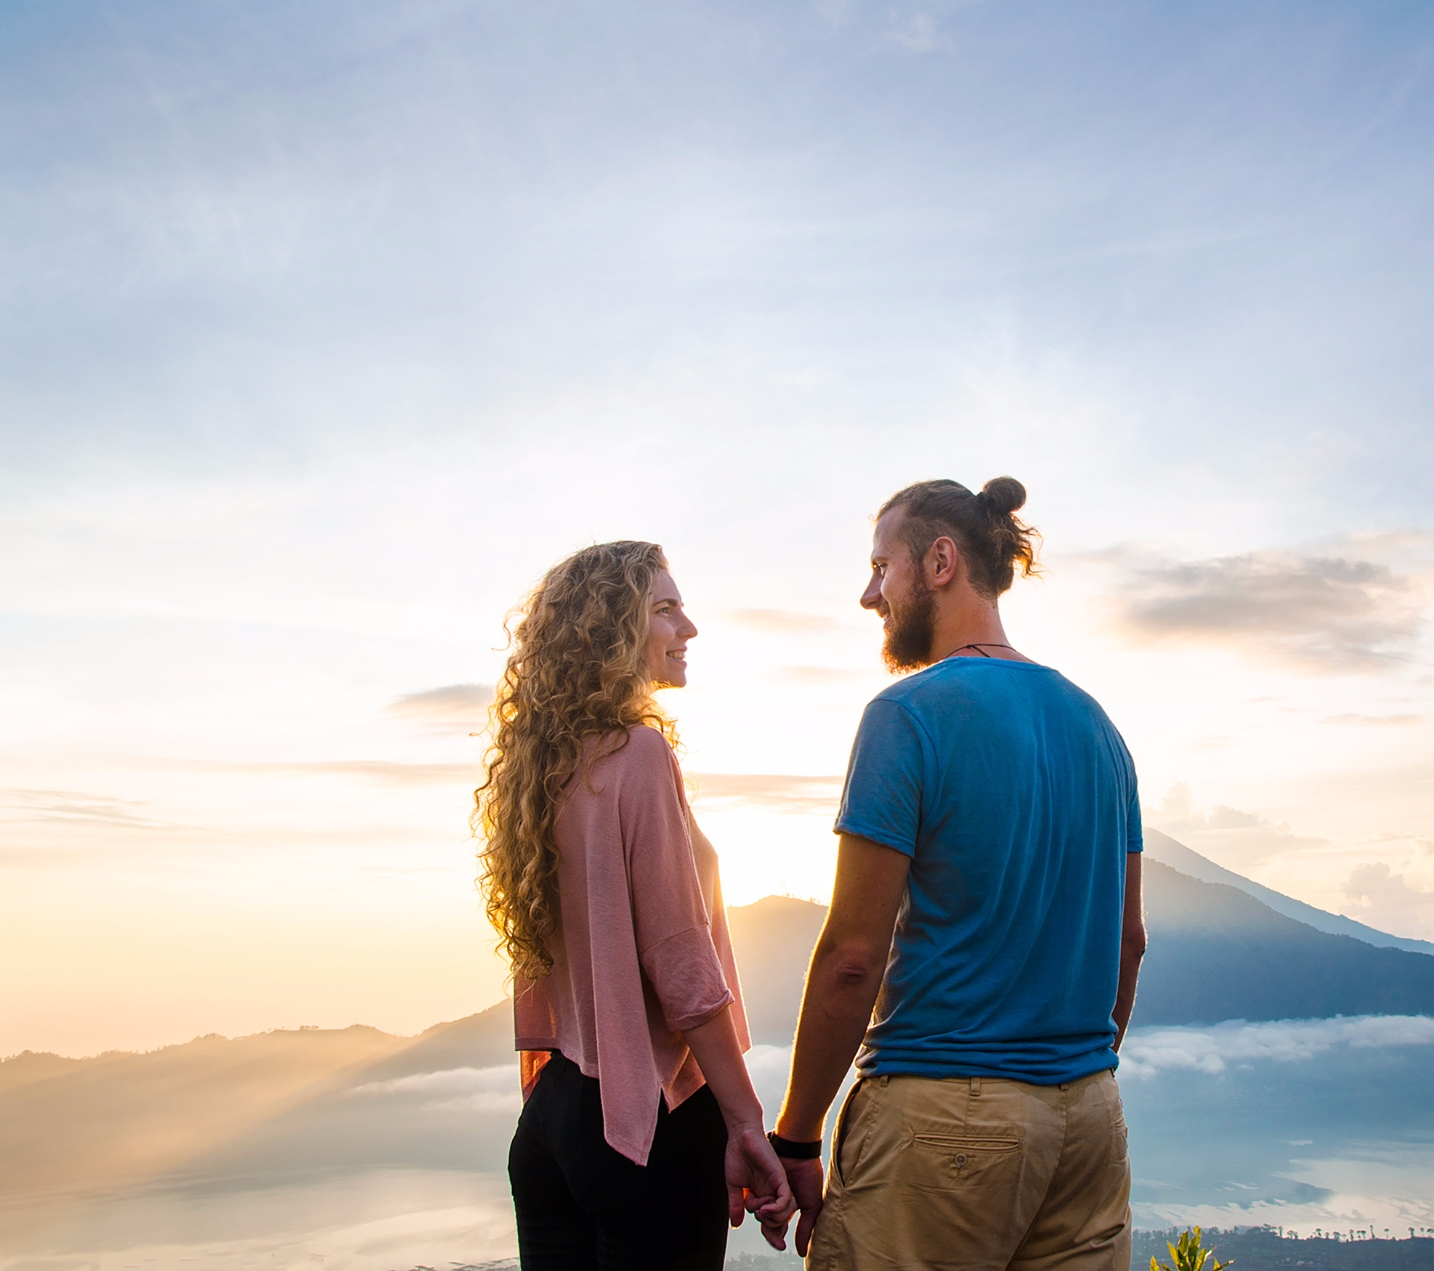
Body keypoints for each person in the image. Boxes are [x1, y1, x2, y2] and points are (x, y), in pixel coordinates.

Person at [770, 478, 1148, 1271]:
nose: (870, 593)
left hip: (943, 1112)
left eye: (882, 567)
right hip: (1087, 1121)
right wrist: (1068, 1073)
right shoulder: (1100, 726)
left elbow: (851, 957)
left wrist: (797, 1135)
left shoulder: (907, 714)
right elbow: (1130, 940)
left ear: (940, 561)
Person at [475, 541, 795, 1270]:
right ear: (611, 628)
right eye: (666, 608)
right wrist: (745, 1118)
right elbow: (681, 962)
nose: (689, 628)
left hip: (554, 1119)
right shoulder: (639, 753)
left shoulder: (544, 764)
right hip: (645, 1123)